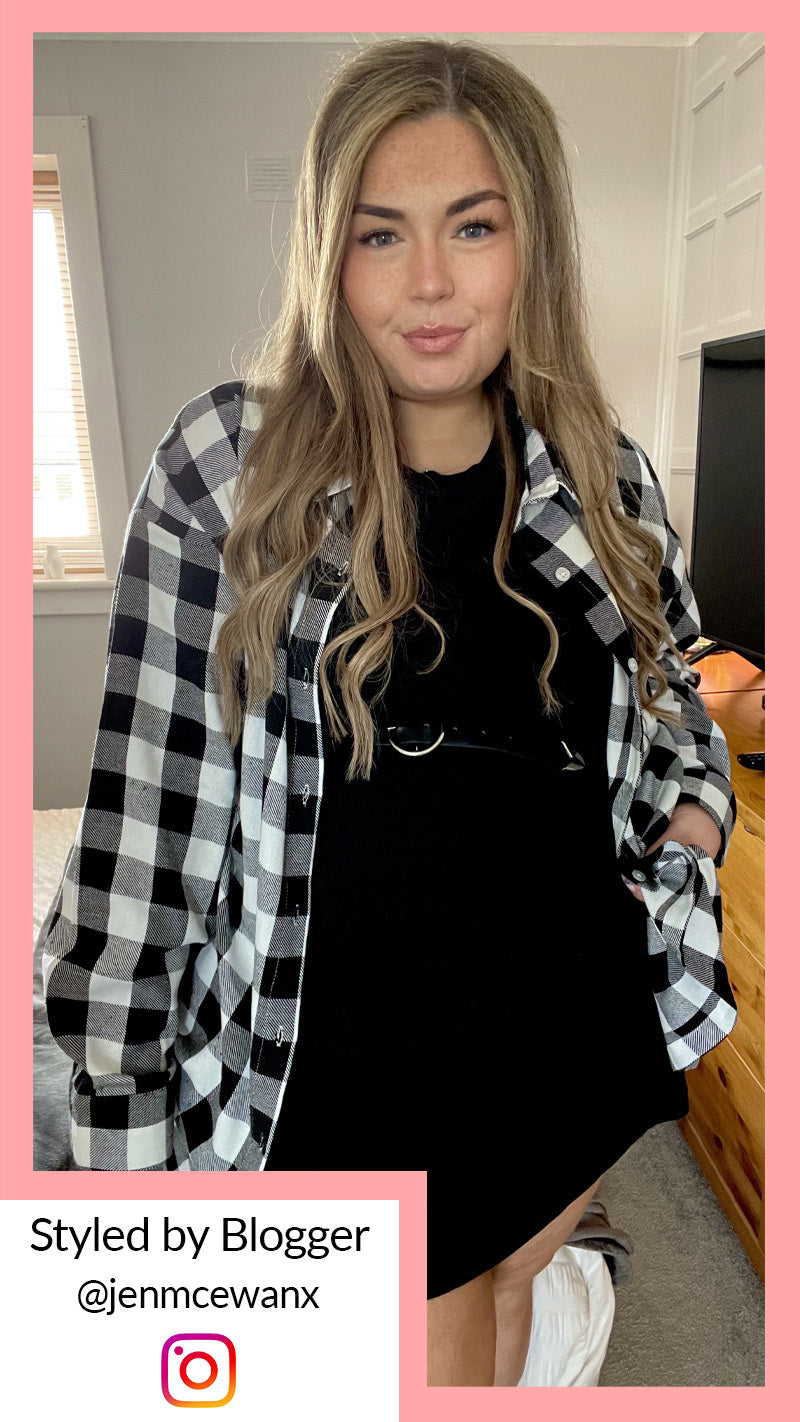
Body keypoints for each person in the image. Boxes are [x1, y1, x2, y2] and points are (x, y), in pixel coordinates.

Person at [42, 38, 737, 1385]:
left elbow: (680, 696)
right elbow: (143, 833)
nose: (427, 283)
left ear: (534, 245)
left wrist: (697, 827)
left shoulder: (604, 476)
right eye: (380, 234)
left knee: (511, 1296)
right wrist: (121, 1134)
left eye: (473, 226)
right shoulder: (229, 468)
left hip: (556, 1015)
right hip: (345, 1051)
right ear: (329, 254)